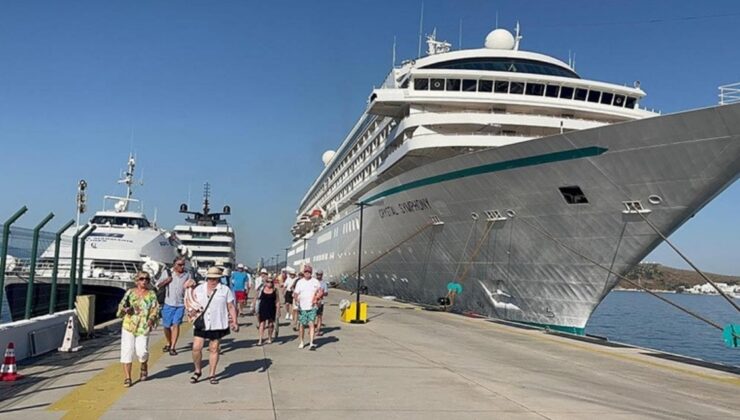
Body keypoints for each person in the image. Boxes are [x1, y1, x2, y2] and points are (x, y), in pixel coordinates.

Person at [190, 267, 239, 385]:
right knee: (196, 348)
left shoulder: (224, 290)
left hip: (218, 322)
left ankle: (212, 374)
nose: (213, 280)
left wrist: (234, 321)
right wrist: (191, 311)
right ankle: (198, 370)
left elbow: (231, 306)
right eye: (211, 278)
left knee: (214, 348)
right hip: (202, 323)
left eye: (215, 278)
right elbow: (191, 302)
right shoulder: (199, 289)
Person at [117, 271, 160, 387]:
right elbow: (121, 305)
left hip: (143, 325)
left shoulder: (151, 294)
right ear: (136, 281)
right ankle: (128, 377)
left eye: (147, 279)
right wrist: (125, 310)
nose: (144, 281)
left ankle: (143, 365)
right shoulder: (130, 293)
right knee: (127, 350)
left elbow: (155, 309)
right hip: (129, 324)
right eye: (141, 279)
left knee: (142, 351)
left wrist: (151, 319)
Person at [156, 256, 194, 355]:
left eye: (183, 265)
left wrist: (192, 285)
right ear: (174, 265)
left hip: (181, 304)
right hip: (168, 303)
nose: (182, 267)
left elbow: (191, 287)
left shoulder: (187, 274)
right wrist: (166, 281)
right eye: (179, 265)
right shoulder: (167, 272)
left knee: (176, 324)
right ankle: (169, 342)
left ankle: (173, 347)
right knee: (166, 326)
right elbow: (158, 285)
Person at [293, 264, 322, 350]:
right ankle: (301, 341)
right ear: (303, 272)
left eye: (309, 272)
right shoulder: (300, 282)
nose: (307, 273)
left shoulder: (315, 282)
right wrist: (296, 300)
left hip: (312, 307)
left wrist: (317, 298)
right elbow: (295, 293)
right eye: (306, 271)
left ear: (311, 272)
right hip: (302, 307)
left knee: (311, 324)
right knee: (302, 325)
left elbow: (320, 291)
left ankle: (311, 343)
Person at [256, 277, 280, 345]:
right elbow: (257, 298)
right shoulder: (262, 289)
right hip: (263, 308)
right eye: (268, 281)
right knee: (262, 324)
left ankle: (269, 338)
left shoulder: (275, 290)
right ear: (265, 282)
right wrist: (255, 308)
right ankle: (260, 339)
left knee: (270, 324)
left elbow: (277, 301)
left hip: (272, 308)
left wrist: (278, 310)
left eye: (271, 282)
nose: (269, 283)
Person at [314, 270, 329, 336]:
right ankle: (311, 329)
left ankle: (318, 330)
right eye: (318, 274)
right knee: (312, 316)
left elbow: (326, 293)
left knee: (319, 316)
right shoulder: (313, 282)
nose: (319, 276)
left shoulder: (324, 283)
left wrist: (322, 293)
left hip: (320, 302)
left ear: (322, 275)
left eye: (320, 274)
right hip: (313, 301)